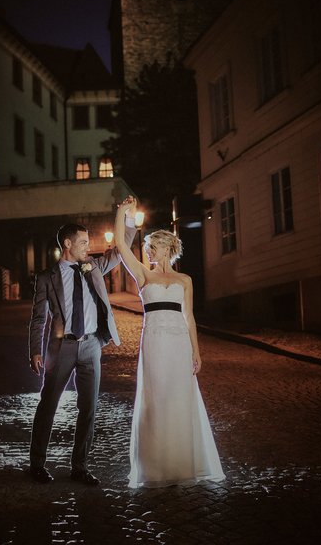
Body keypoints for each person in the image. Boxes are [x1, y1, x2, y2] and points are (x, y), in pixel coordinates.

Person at [114, 196, 225, 488]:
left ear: (168, 248)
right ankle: (156, 466)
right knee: (157, 399)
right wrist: (122, 212)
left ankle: (182, 463)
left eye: (153, 246)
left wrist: (197, 353)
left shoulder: (185, 280)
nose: (149, 251)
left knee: (180, 399)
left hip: (179, 346)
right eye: (148, 247)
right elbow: (122, 247)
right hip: (154, 344)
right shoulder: (143, 274)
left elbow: (189, 317)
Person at [28, 209, 136, 486]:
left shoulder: (94, 266)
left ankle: (80, 467)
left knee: (89, 408)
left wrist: (129, 219)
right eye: (84, 243)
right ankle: (37, 464)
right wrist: (35, 351)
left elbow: (121, 248)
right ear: (67, 244)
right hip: (61, 348)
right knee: (48, 405)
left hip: (91, 346)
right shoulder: (46, 278)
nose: (89, 247)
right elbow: (39, 318)